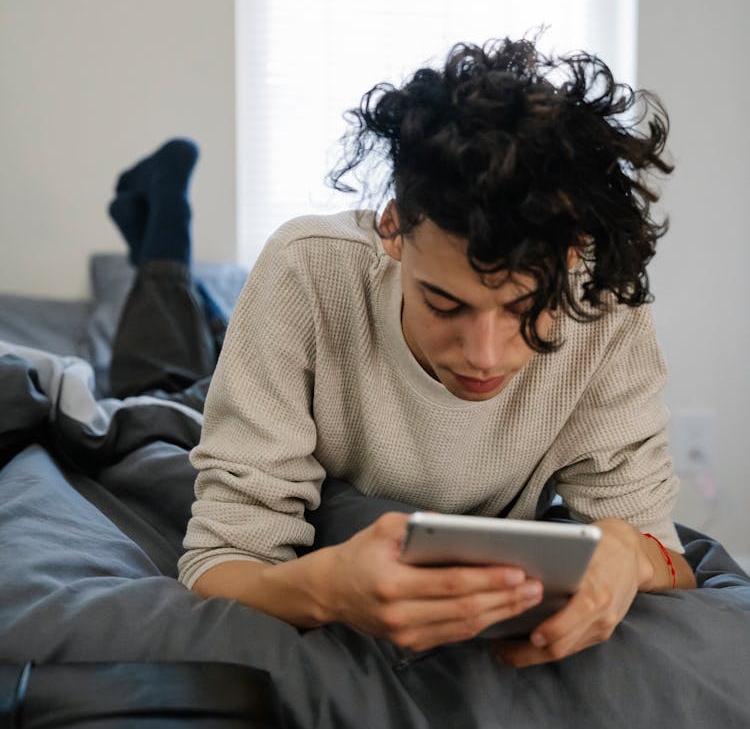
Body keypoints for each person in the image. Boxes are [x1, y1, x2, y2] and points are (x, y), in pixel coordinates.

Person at [110, 38, 696, 669]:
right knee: (155, 380)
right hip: (228, 397)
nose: (485, 356)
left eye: (528, 310)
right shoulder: (307, 267)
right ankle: (162, 235)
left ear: (576, 252)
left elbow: (666, 557)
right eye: (445, 305)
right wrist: (326, 591)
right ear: (392, 228)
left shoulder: (604, 308)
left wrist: (629, 553)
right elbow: (219, 562)